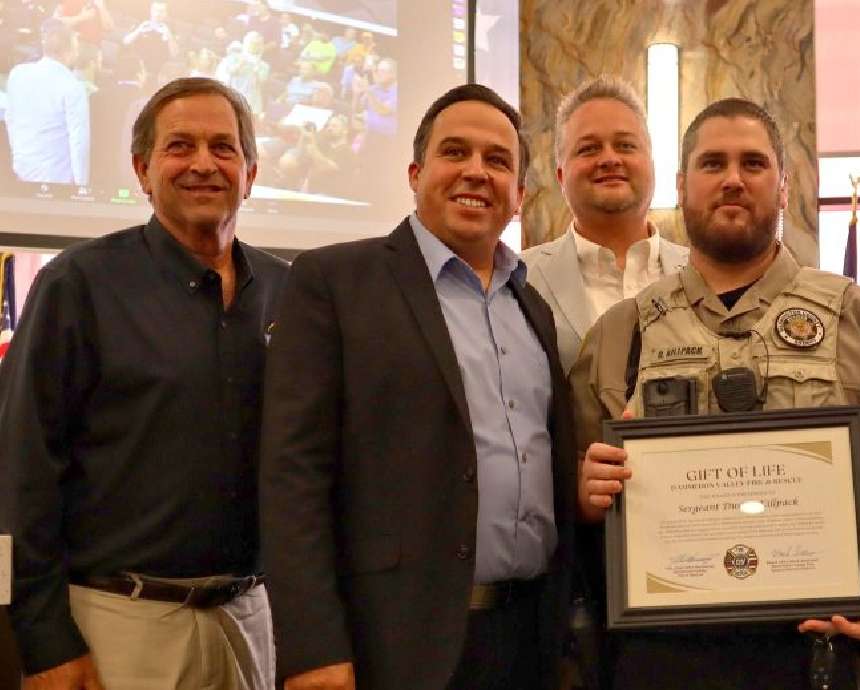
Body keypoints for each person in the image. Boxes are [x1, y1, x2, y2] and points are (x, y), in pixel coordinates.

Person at [572, 97, 860, 689]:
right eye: (713, 164)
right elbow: (574, 486)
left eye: (753, 164)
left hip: (808, 645)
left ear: (783, 188)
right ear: (682, 186)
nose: (733, 179)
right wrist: (586, 492)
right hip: (661, 650)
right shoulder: (621, 332)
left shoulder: (857, 317)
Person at [261, 83, 576, 690]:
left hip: (528, 640)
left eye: (497, 160)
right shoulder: (335, 282)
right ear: (415, 172)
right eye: (454, 152)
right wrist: (311, 646)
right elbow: (291, 476)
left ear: (521, 195)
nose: (476, 172)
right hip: (394, 643)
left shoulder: (531, 306)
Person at [0, 76, 286, 689]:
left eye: (224, 147)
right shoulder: (77, 285)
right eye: (180, 146)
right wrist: (45, 640)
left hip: (252, 617)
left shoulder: (291, 293)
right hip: (118, 624)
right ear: (142, 169)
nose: (204, 163)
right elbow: (23, 470)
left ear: (251, 172)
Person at [523, 75, 688, 374]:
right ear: (561, 176)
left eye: (625, 146)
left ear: (651, 164)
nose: (610, 159)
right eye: (588, 149)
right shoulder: (519, 281)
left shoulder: (702, 273)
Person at [5, 18, 90, 186]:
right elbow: (79, 141)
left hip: (22, 172)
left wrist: (19, 159)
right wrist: (82, 187)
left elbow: (10, 119)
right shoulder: (73, 87)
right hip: (58, 182)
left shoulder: (17, 74)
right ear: (70, 51)